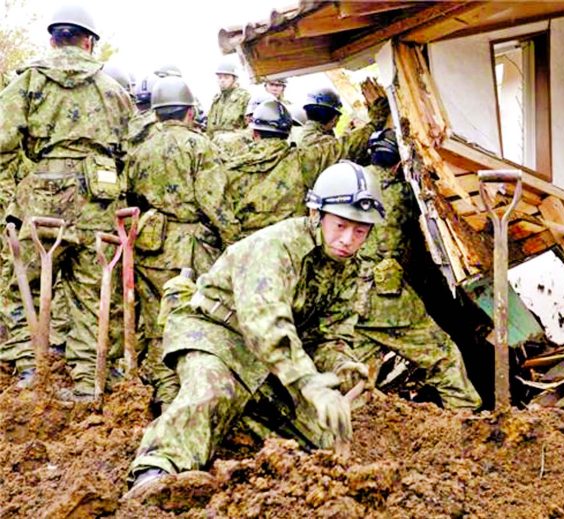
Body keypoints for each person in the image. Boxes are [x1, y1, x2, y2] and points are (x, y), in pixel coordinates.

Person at [123, 162, 384, 502]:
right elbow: (265, 323)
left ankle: (238, 422)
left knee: (320, 435)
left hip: (272, 358)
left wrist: (340, 367)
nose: (348, 240)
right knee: (213, 389)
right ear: (315, 213)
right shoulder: (275, 247)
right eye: (341, 225)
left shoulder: (349, 268)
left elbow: (328, 335)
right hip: (217, 334)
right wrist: (308, 383)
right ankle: (156, 469)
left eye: (360, 231)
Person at [0, 4, 134, 398]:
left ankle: (28, 369)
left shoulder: (27, 83)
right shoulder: (113, 89)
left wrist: (14, 191)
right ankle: (89, 381)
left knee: (22, 284)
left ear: (52, 39)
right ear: (89, 42)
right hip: (97, 198)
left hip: (42, 195)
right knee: (92, 291)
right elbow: (128, 149)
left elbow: (2, 143)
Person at [313, 130, 481, 409]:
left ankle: (345, 429)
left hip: (343, 296)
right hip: (385, 299)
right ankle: (467, 421)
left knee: (356, 373)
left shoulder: (344, 184)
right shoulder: (400, 192)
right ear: (399, 164)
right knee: (441, 355)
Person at [124, 76, 238, 409]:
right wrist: (235, 248)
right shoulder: (199, 146)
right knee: (194, 321)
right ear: (190, 112)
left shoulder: (140, 148)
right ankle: (193, 395)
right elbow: (216, 204)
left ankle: (164, 391)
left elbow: (131, 197)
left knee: (156, 323)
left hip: (150, 244)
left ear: (156, 113)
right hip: (191, 247)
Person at [226, 99, 319, 238]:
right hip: (290, 244)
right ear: (287, 133)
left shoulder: (231, 167)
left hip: (245, 248)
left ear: (255, 133)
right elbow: (345, 147)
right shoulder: (303, 161)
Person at [297, 83, 390, 186]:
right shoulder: (312, 140)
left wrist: (348, 132)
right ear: (334, 118)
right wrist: (375, 121)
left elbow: (334, 147)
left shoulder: (308, 134)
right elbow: (345, 149)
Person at [206, 60, 250, 137]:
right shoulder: (216, 100)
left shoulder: (244, 97)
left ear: (235, 79)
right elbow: (209, 128)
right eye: (220, 77)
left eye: (226, 77)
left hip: (236, 144)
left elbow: (250, 127)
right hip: (216, 144)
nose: (222, 80)